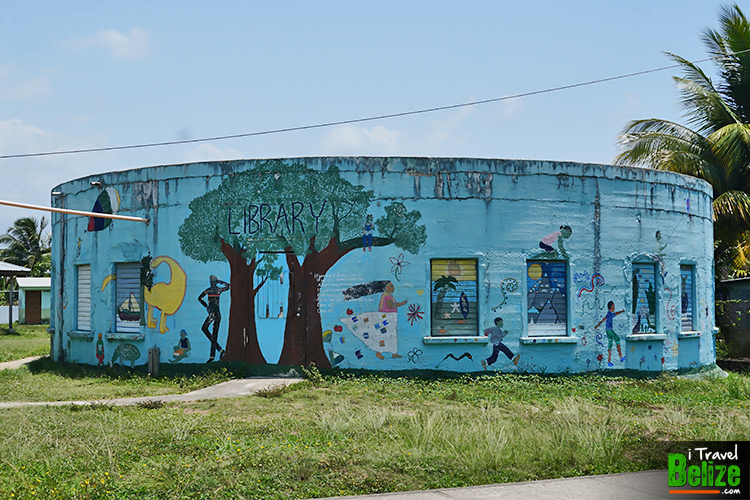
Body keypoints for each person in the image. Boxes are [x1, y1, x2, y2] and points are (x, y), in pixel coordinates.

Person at [198, 275, 230, 362]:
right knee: (212, 334)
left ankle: (213, 356)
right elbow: (228, 286)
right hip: (217, 315)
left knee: (206, 330)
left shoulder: (209, 290)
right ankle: (219, 350)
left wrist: (206, 306)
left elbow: (199, 298)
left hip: (212, 314)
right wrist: (220, 282)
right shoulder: (219, 290)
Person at [595, 301, 626, 367]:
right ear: (611, 307)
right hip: (609, 330)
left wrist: (597, 325)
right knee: (617, 339)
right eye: (613, 306)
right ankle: (620, 357)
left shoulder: (608, 314)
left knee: (610, 344)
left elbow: (603, 319)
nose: (614, 307)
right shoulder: (610, 314)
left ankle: (609, 361)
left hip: (607, 330)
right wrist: (622, 311)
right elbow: (616, 314)